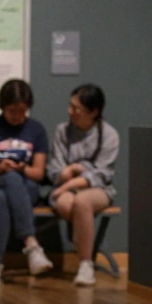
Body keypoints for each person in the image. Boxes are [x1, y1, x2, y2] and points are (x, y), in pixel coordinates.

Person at [0, 79, 53, 287]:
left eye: (22, 111)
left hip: (27, 188)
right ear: (3, 107)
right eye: (12, 111)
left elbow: (38, 172)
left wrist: (21, 168)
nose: (17, 116)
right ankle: (32, 246)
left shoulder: (36, 130)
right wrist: (0, 168)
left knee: (3, 198)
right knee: (6, 182)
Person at [47, 84, 119, 287]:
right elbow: (56, 169)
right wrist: (68, 177)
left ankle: (86, 263)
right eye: (70, 106)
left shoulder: (109, 135)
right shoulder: (62, 131)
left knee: (82, 201)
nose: (71, 112)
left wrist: (79, 171)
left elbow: (102, 174)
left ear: (93, 112)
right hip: (65, 188)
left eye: (76, 109)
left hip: (99, 190)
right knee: (66, 205)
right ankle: (82, 244)